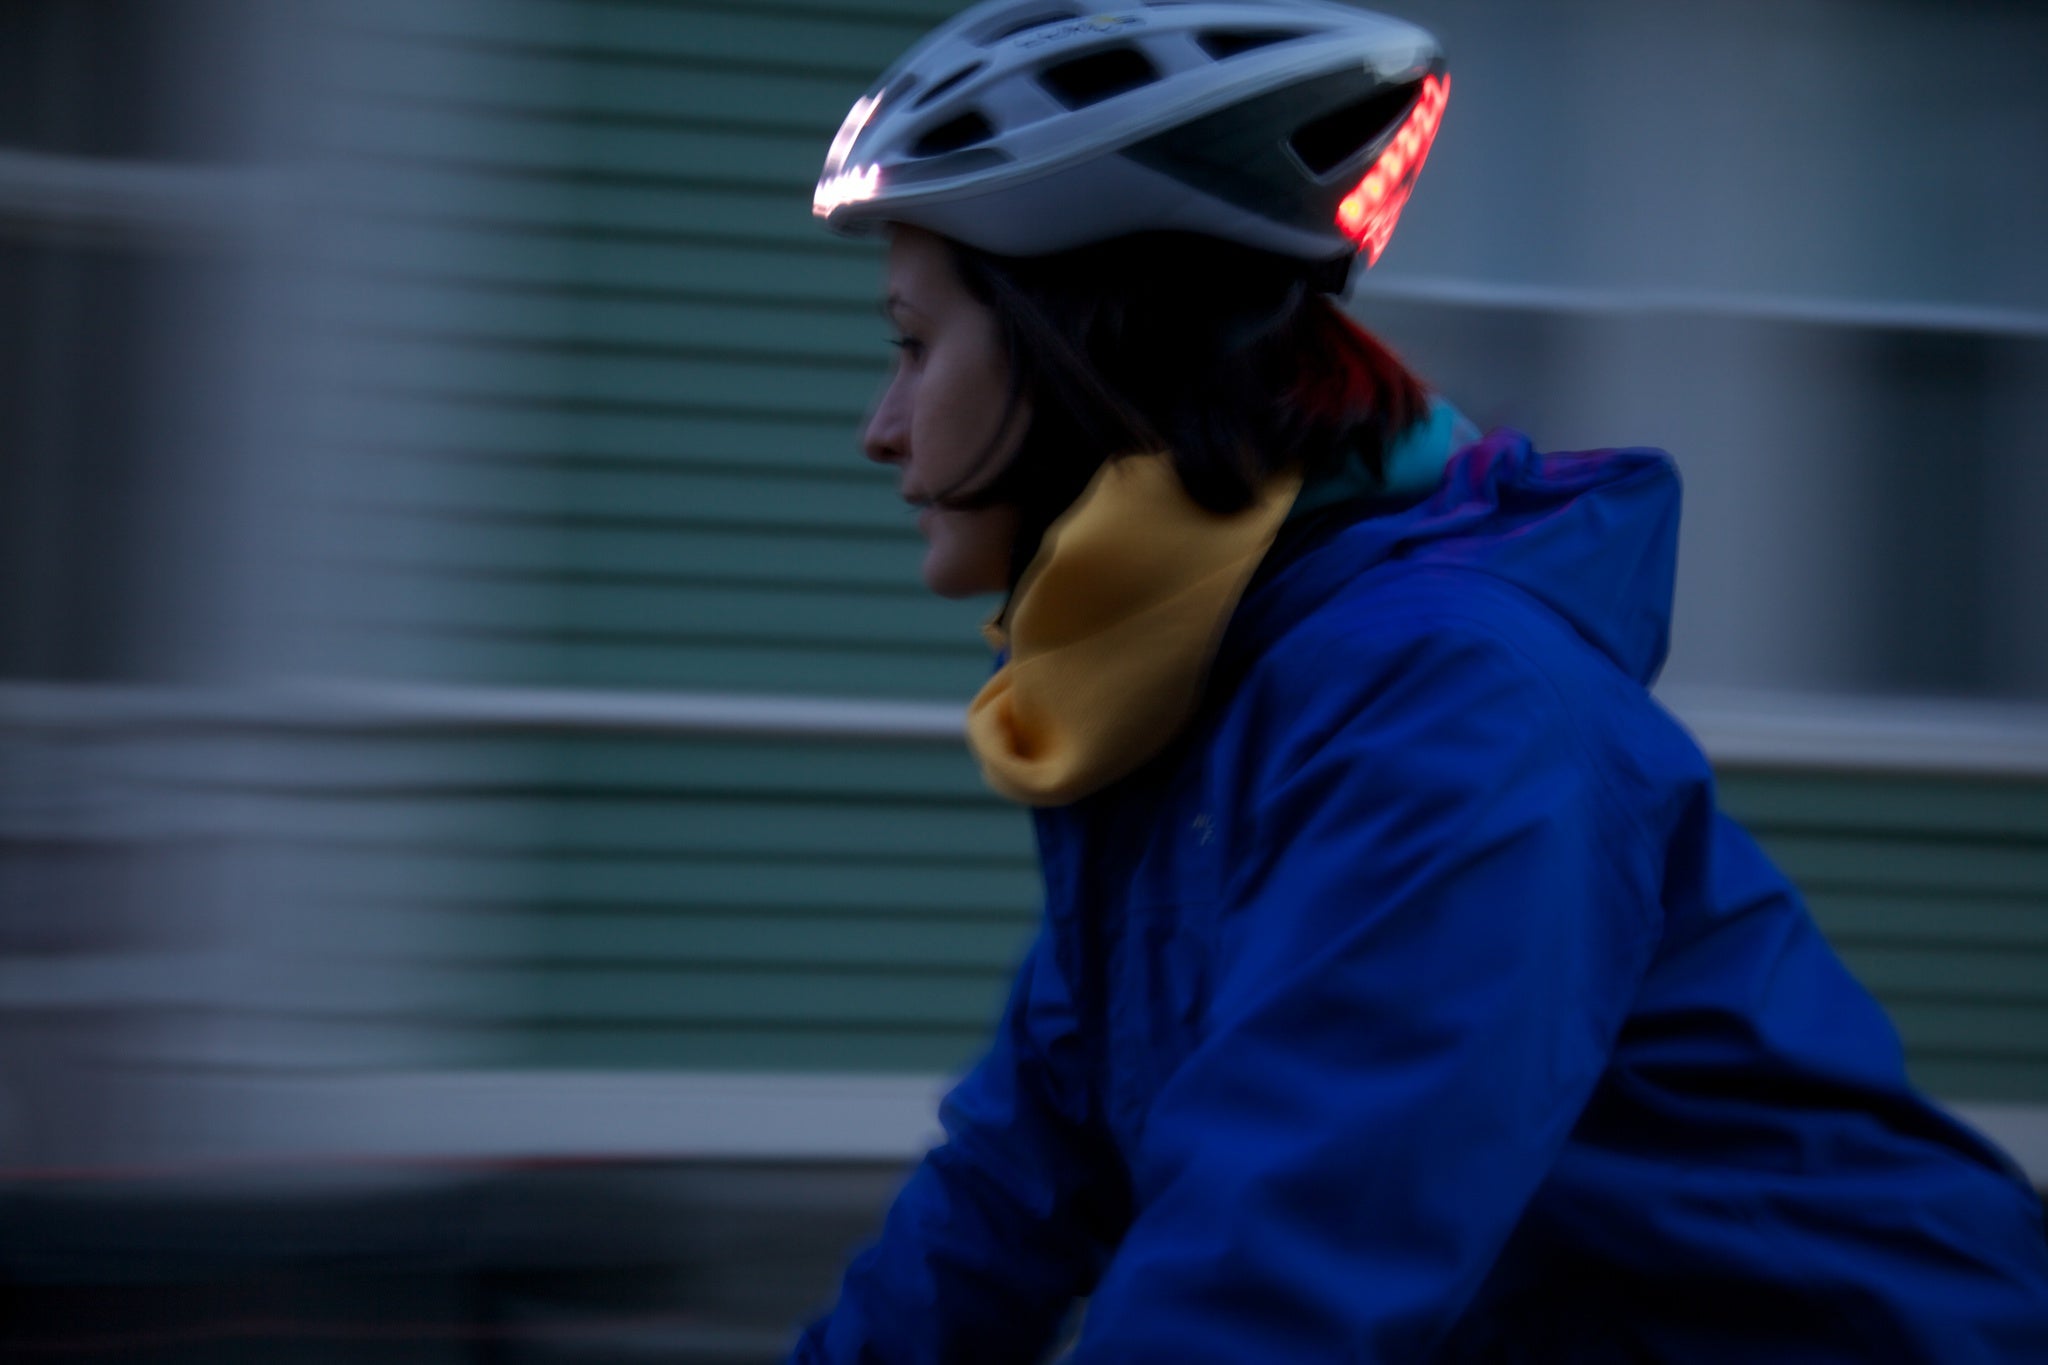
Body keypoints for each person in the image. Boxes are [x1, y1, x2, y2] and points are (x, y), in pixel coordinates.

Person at [794, 2, 2048, 1360]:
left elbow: (1271, 1278)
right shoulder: (1195, 701)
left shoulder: (1448, 706)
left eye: (913, 345)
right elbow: (1004, 1196)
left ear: (1082, 346)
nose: (881, 427)